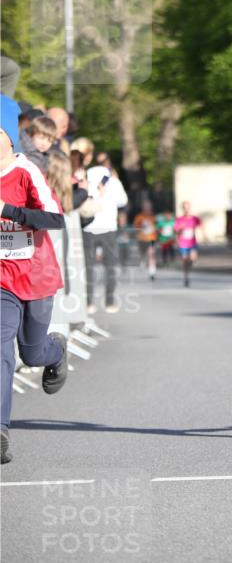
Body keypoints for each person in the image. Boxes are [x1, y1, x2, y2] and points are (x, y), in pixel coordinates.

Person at [0, 95, 68, 464]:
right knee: (1, 349)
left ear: (9, 137)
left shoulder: (27, 171)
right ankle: (1, 431)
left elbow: (55, 219)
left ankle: (55, 350)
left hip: (36, 275)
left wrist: (8, 210)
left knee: (32, 352)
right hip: (2, 279)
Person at [81, 161, 128, 313]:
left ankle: (89, 303)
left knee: (88, 268)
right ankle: (109, 302)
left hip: (88, 229)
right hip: (108, 229)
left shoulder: (86, 180)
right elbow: (123, 201)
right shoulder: (113, 182)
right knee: (110, 267)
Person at [174, 201, 201, 287]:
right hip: (183, 243)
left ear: (190, 208)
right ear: (183, 209)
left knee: (193, 258)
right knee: (185, 260)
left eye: (188, 208)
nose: (186, 210)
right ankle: (186, 277)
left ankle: (189, 266)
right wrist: (180, 229)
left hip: (192, 242)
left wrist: (204, 235)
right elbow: (176, 231)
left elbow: (200, 225)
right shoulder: (179, 219)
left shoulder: (194, 218)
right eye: (185, 208)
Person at [133, 201, 158, 279]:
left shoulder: (153, 217)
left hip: (151, 238)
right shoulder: (139, 217)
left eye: (148, 206)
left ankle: (152, 272)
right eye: (145, 206)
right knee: (142, 254)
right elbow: (136, 227)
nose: (147, 208)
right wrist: (141, 229)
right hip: (142, 239)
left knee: (151, 254)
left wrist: (155, 229)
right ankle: (142, 263)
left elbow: (157, 226)